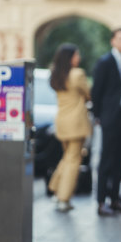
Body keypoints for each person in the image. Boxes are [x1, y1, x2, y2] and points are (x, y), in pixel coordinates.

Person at [92, 28, 121, 216]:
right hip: (110, 117)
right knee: (106, 160)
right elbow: (96, 91)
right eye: (120, 38)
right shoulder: (105, 62)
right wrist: (98, 116)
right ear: (112, 41)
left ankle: (115, 199)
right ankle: (101, 202)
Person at [47, 43, 92, 213]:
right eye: (76, 55)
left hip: (62, 121)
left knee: (67, 157)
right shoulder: (77, 74)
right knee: (74, 160)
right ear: (70, 57)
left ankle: (56, 188)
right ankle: (63, 199)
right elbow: (88, 93)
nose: (79, 58)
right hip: (76, 123)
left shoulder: (56, 74)